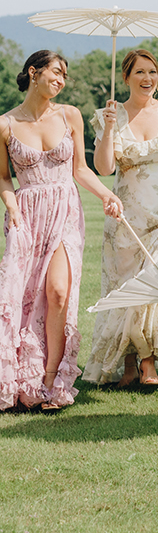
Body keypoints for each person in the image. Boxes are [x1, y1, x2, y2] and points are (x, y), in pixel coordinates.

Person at [0, 50, 122, 410]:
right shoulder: (5, 124)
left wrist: (105, 194)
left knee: (57, 292)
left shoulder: (69, 115)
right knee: (22, 297)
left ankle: (53, 382)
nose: (60, 80)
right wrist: (11, 206)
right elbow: (3, 178)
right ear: (33, 73)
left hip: (65, 211)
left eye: (64, 76)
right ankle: (24, 379)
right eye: (55, 73)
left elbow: (81, 170)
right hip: (27, 216)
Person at [83, 49, 158, 387]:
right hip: (127, 218)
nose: (148, 79)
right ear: (126, 78)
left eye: (152, 72)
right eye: (140, 73)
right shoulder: (110, 115)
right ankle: (131, 365)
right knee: (128, 288)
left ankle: (149, 364)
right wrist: (107, 130)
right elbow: (104, 169)